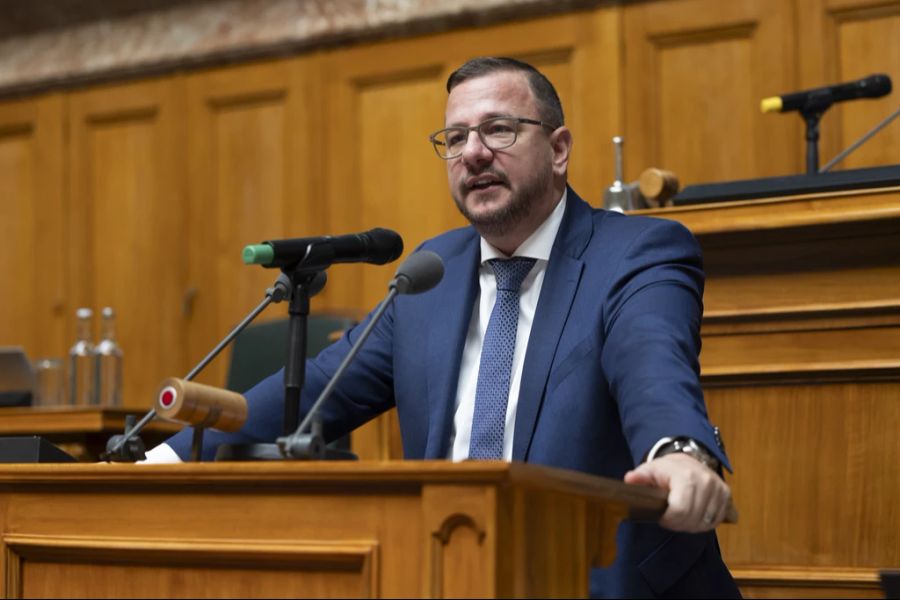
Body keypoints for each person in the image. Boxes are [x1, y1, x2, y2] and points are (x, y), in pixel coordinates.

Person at [151, 57, 740, 598]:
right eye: (455, 139)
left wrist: (680, 452)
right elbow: (315, 388)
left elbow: (653, 362)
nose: (474, 153)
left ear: (559, 149)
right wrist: (158, 465)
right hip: (451, 573)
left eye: (499, 130)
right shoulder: (431, 274)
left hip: (600, 581)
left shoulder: (637, 252)